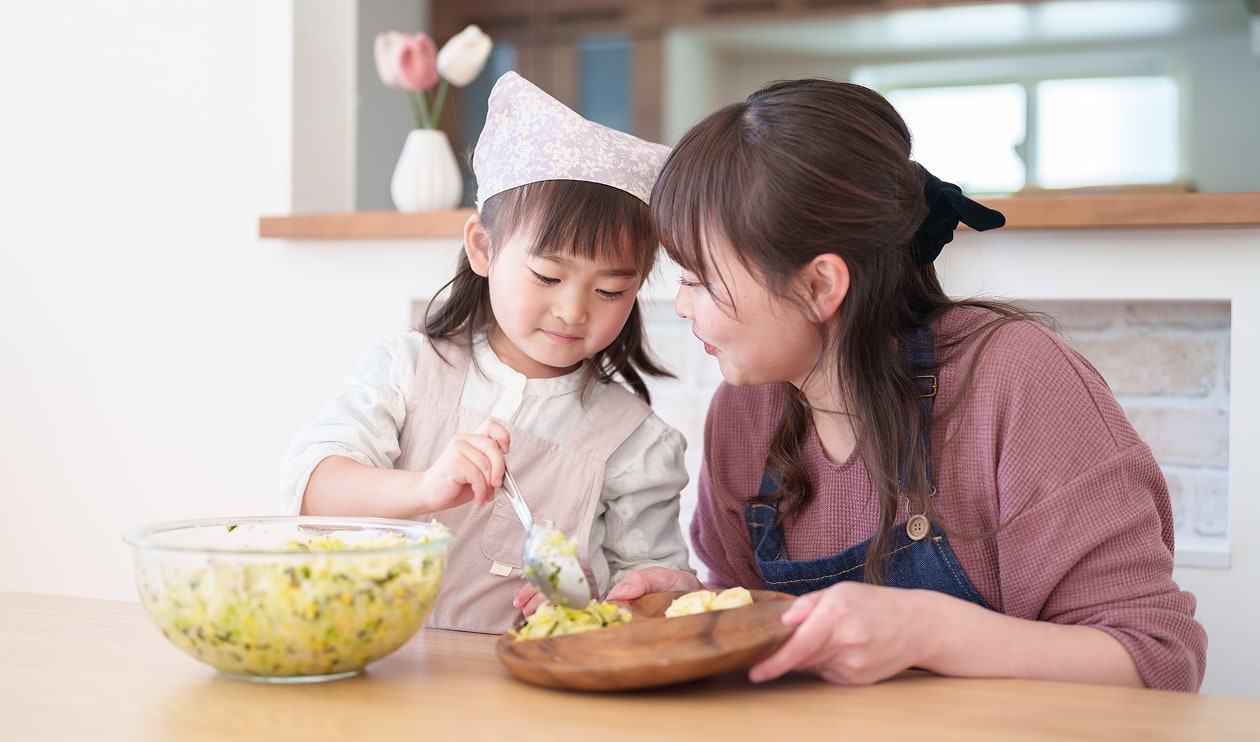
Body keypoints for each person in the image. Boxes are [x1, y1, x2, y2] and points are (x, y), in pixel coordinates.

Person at [613, 77, 1208, 692]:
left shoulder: (1016, 380)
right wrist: (699, 608)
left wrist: (926, 631)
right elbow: (760, 638)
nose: (682, 306)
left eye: (700, 280)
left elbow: (1158, 663)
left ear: (820, 286)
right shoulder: (745, 412)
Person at [280, 71, 699, 633]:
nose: (573, 311)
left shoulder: (634, 442)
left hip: (527, 683)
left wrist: (595, 604)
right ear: (483, 248)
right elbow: (310, 489)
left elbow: (657, 597)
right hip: (376, 665)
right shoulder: (405, 372)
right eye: (548, 276)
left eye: (609, 291)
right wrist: (424, 487)